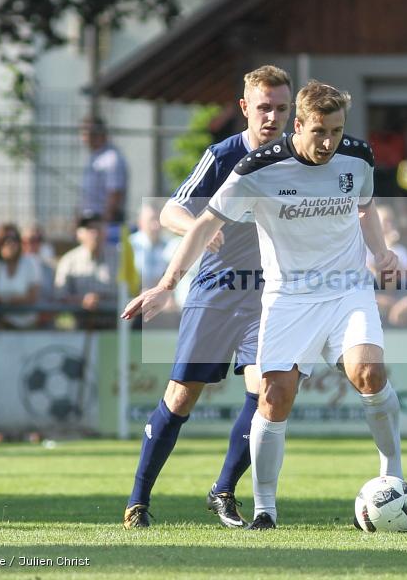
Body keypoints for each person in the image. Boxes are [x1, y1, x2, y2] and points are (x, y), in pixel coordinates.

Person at [122, 80, 404, 531]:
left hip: (331, 290)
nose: (329, 142)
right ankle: (225, 507)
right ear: (296, 124)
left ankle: (390, 477)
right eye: (319, 132)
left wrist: (381, 251)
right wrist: (164, 285)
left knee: (356, 375)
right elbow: (192, 219)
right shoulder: (248, 165)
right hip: (257, 295)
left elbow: (366, 207)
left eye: (336, 130)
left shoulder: (358, 156)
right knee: (230, 398)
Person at [122, 65, 293, 530]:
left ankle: (223, 491)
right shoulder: (223, 155)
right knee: (180, 398)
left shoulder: (298, 159)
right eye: (264, 107)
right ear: (244, 108)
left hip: (267, 296)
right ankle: (138, 500)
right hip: (216, 290)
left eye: (281, 108)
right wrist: (200, 231)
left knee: (268, 394)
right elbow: (171, 210)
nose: (273, 116)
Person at [54, 213, 118, 329]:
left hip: (116, 327)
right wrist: (81, 300)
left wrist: (104, 298)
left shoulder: (120, 256)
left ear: (105, 231)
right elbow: (60, 295)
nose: (94, 233)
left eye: (98, 227)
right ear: (78, 234)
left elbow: (131, 289)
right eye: (89, 229)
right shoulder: (69, 260)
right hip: (81, 326)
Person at [0, 223, 41, 329]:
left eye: (14, 239)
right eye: (5, 239)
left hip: (26, 324)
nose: (10, 243)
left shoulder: (30, 262)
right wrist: (16, 300)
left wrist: (4, 300)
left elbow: (32, 297)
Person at [80, 115, 129, 242]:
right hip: (92, 223)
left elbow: (115, 193)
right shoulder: (95, 157)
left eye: (86, 133)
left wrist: (103, 225)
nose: (83, 138)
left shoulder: (112, 159)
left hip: (106, 226)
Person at [129, 202, 173, 290]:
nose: (156, 225)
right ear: (140, 222)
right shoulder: (130, 246)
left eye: (158, 220)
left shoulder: (170, 246)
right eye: (151, 220)